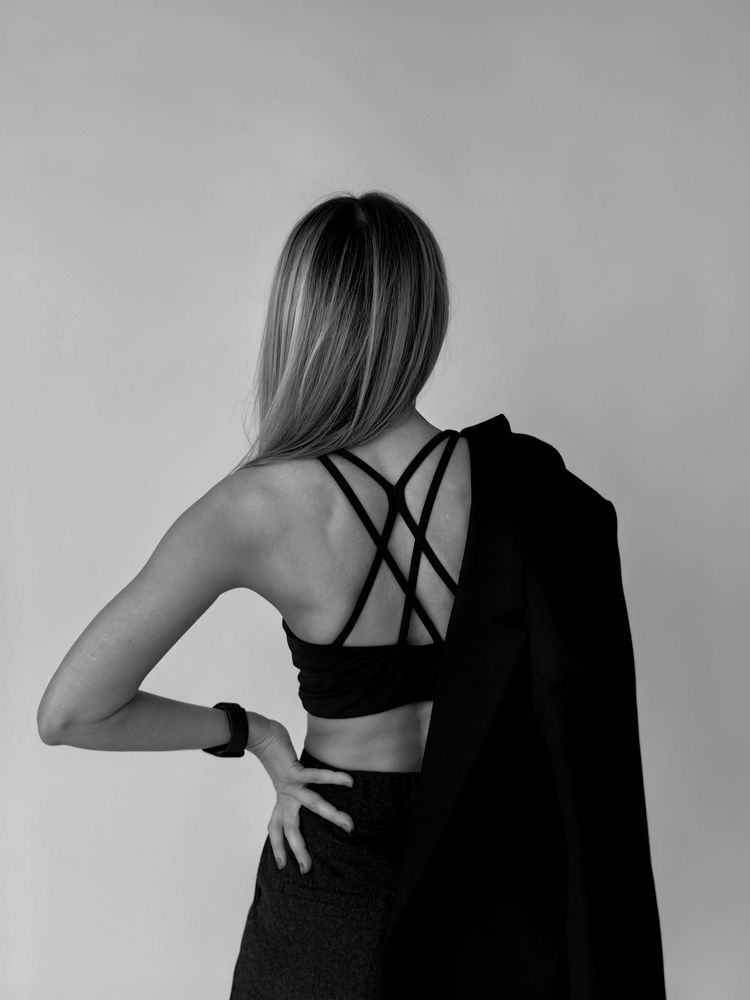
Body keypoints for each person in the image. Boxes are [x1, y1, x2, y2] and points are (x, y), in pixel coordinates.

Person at [36, 191, 666, 1000]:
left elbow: (71, 713)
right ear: (425, 317)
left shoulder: (255, 508)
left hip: (333, 855)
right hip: (492, 868)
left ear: (301, 322)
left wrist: (253, 734)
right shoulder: (520, 487)